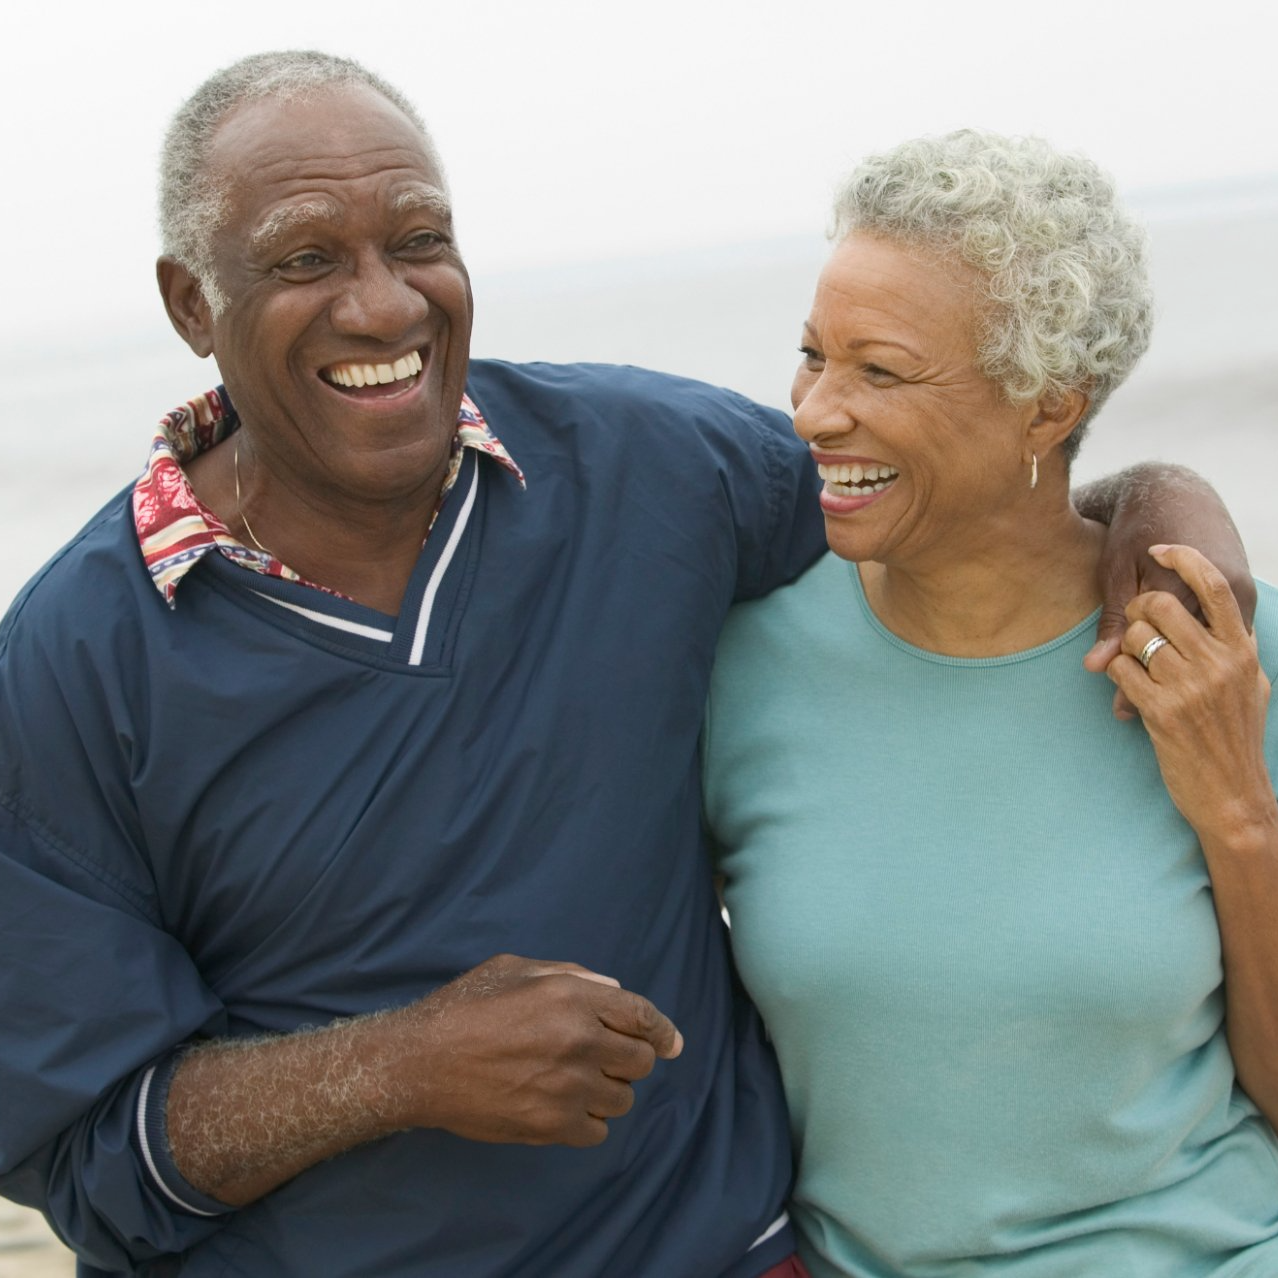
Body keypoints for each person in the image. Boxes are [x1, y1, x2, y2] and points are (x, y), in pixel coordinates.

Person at [0, 57, 1253, 1278]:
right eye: (303, 259)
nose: (381, 305)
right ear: (189, 304)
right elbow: (86, 1157)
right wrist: (398, 1068)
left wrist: (1165, 508)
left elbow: (952, 493)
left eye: (419, 240)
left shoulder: (650, 466)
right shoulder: (70, 660)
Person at [702, 130, 1278, 1277]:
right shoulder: (738, 663)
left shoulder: (1223, 655)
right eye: (813, 357)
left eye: (880, 370)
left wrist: (1240, 820)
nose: (815, 412)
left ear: (1045, 408)